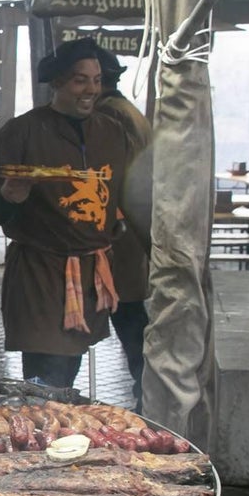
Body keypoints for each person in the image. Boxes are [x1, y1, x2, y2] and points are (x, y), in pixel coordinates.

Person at [0, 37, 130, 389]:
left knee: (68, 367)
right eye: (80, 80)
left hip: (91, 271)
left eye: (96, 80)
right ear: (57, 83)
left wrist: (115, 222)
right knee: (48, 375)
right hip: (41, 273)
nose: (90, 89)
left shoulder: (111, 132)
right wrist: (7, 195)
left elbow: (118, 193)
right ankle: (46, 432)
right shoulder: (22, 131)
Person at [94, 47, 153, 413]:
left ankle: (148, 402)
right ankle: (146, 397)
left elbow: (118, 183)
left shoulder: (111, 118)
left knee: (131, 322)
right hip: (130, 235)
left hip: (121, 237)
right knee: (132, 322)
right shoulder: (127, 112)